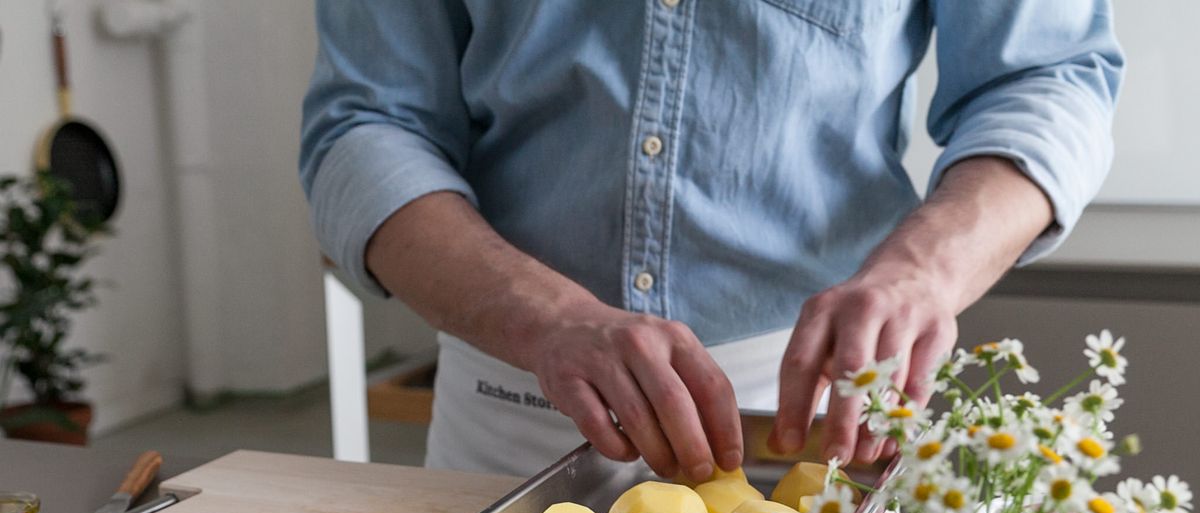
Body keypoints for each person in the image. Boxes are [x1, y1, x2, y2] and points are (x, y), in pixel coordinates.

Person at [299, 1, 1122, 482]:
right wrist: (543, 318)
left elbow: (1047, 76)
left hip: (812, 411)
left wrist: (920, 273)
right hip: (515, 395)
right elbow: (368, 122)